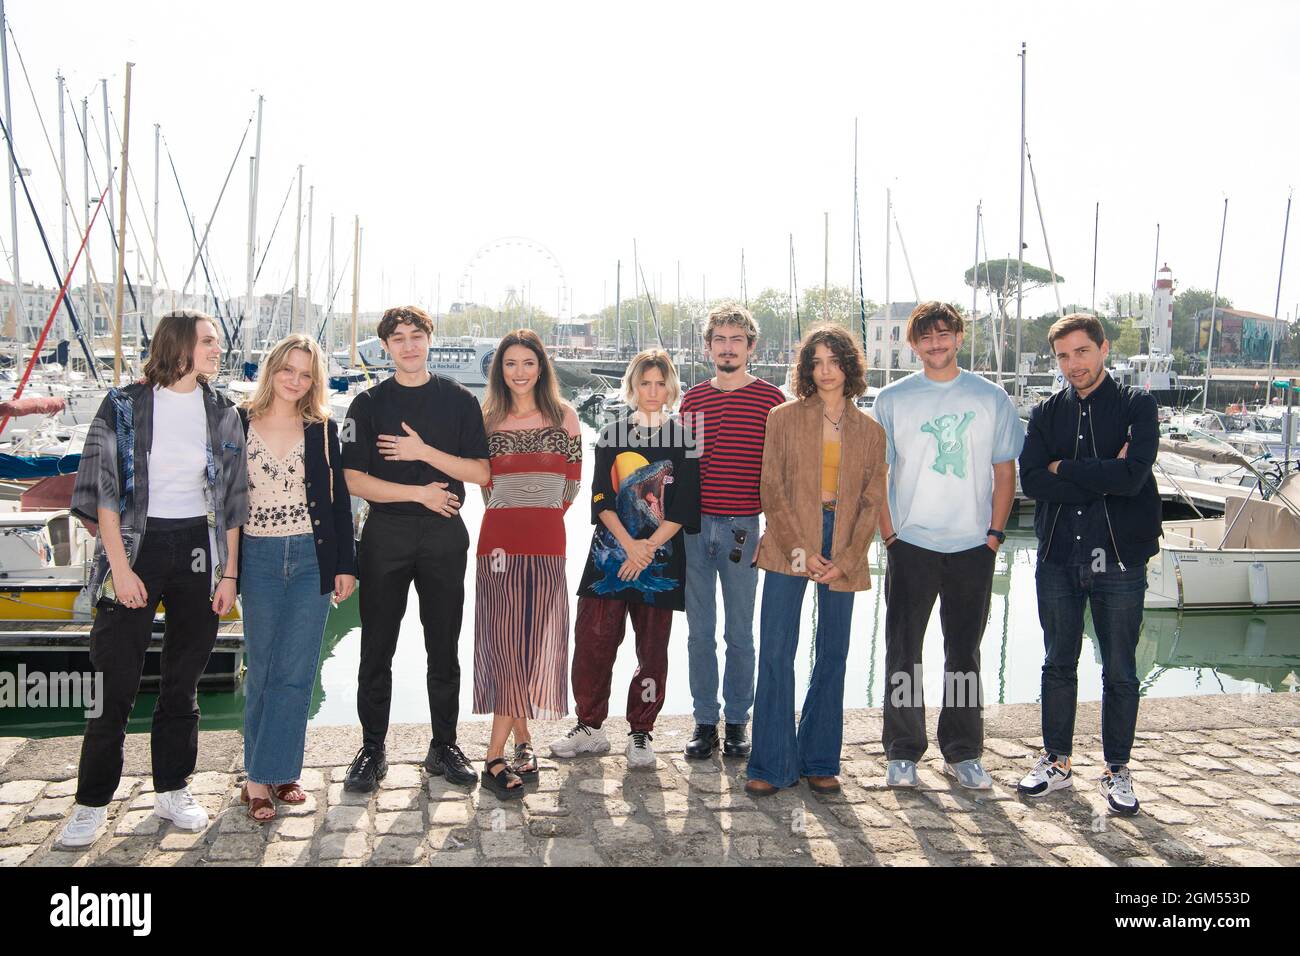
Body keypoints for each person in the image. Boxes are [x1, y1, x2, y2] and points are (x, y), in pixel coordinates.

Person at [58, 311, 247, 847]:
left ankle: (171, 789)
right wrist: (119, 569)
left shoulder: (223, 412)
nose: (217, 348)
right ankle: (92, 801)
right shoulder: (123, 406)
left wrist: (228, 573)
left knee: (182, 681)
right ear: (180, 346)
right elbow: (103, 490)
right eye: (208, 341)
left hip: (196, 550)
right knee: (114, 682)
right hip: (134, 549)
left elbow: (233, 502)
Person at [873, 301, 1023, 790]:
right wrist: (889, 535)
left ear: (958, 337)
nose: (935, 344)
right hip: (910, 542)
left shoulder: (991, 397)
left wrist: (994, 536)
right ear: (912, 344)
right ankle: (903, 750)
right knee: (904, 651)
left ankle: (962, 751)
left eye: (944, 335)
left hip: (971, 546)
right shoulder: (893, 399)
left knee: (964, 652)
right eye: (925, 338)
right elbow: (879, 474)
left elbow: (1005, 471)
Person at [340, 306, 490, 792]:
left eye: (416, 336)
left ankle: (443, 745)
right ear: (385, 346)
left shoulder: (460, 400)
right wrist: (418, 492)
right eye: (398, 338)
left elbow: (483, 473)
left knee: (442, 646)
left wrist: (424, 453)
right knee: (376, 645)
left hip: (445, 533)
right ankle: (372, 748)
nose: (408, 345)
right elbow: (353, 479)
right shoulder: (367, 404)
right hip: (386, 534)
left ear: (430, 339)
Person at [1017, 313, 1159, 816]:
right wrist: (1104, 473)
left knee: (1120, 668)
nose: (1073, 364)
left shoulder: (1137, 406)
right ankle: (1056, 761)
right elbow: (1032, 480)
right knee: (1058, 662)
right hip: (1058, 555)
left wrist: (1067, 468)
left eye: (1081, 351)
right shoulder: (1045, 412)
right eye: (1063, 355)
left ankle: (1117, 767)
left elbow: (1134, 478)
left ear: (1102, 349)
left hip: (1119, 558)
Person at [745, 325, 886, 797]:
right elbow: (772, 488)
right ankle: (770, 762)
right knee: (776, 651)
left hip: (844, 543)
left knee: (834, 653)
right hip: (791, 541)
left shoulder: (871, 431)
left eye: (834, 361)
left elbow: (871, 500)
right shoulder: (782, 417)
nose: (826, 371)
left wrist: (845, 557)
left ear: (850, 367)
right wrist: (801, 551)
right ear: (807, 370)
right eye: (816, 362)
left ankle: (820, 758)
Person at [551, 349, 699, 769]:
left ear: (670, 388)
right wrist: (628, 545)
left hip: (662, 561)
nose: (652, 392)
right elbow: (600, 498)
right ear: (631, 387)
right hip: (609, 558)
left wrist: (648, 548)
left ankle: (641, 732)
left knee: (652, 651)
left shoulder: (685, 439)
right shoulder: (613, 434)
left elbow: (684, 509)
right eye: (644, 383)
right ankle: (590, 727)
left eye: (660, 384)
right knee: (593, 643)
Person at [237, 334, 356, 821]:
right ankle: (256, 779)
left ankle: (281, 772)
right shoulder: (237, 419)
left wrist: (345, 564)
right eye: (288, 369)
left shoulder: (322, 428)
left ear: (315, 381)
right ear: (272, 368)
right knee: (263, 668)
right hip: (257, 556)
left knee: (297, 670)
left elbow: (339, 501)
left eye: (306, 374)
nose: (295, 380)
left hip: (312, 555)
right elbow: (221, 495)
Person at [472, 330, 582, 800]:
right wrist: (517, 512)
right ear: (500, 370)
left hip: (548, 546)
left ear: (541, 368)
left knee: (532, 646)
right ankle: (494, 757)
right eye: (510, 364)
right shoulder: (487, 419)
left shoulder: (565, 416)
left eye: (528, 363)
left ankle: (524, 742)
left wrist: (540, 514)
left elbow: (572, 484)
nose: (519, 372)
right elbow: (484, 486)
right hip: (497, 548)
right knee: (506, 647)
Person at [678, 302, 785, 759]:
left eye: (735, 339)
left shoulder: (771, 401)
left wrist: (775, 530)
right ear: (708, 347)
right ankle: (705, 721)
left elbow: (782, 473)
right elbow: (680, 469)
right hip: (695, 530)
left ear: (750, 346)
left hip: (744, 527)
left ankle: (738, 721)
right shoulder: (693, 399)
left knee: (740, 633)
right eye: (719, 339)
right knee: (699, 632)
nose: (727, 347)